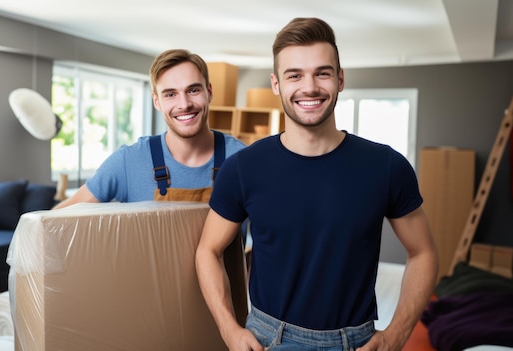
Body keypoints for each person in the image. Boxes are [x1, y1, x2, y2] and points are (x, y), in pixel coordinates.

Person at [196, 17, 438, 351]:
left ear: (340, 79)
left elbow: (423, 252)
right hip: (269, 339)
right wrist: (229, 329)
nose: (309, 87)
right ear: (276, 84)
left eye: (322, 73)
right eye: (294, 75)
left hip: (356, 341)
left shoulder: (386, 166)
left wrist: (397, 333)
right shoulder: (243, 167)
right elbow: (207, 251)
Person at [53, 48, 247, 208]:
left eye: (193, 90)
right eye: (170, 94)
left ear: (209, 92)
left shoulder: (243, 160)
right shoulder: (128, 162)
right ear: (157, 102)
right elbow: (55, 220)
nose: (184, 104)